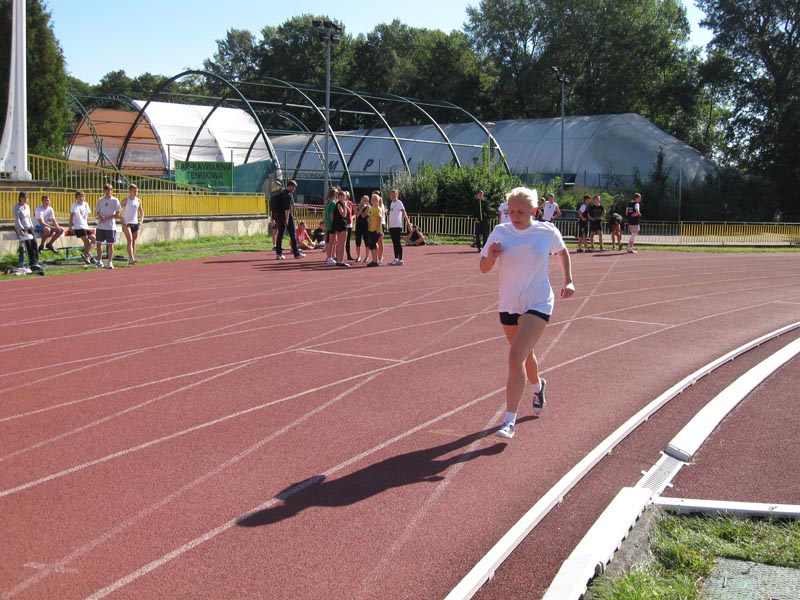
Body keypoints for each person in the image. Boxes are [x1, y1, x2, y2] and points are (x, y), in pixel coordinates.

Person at [479, 186, 575, 440]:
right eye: (511, 211)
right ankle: (538, 385)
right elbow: (483, 267)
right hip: (509, 304)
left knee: (514, 358)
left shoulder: (546, 231)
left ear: (534, 211)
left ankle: (508, 420)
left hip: (538, 301)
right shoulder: (500, 232)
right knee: (525, 355)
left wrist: (568, 280)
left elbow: (562, 251)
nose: (515, 216)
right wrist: (492, 256)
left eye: (521, 212)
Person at [13, 192, 44, 272]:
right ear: (20, 198)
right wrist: (20, 229)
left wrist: (31, 226)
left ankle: (36, 262)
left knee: (34, 243)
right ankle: (32, 263)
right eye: (23, 197)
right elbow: (17, 219)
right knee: (27, 244)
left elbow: (29, 217)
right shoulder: (17, 207)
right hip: (21, 227)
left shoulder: (27, 206)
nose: (25, 199)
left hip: (29, 227)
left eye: (26, 197)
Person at [275, 180, 304, 260]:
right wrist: (287, 219)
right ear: (290, 186)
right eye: (294, 187)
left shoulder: (281, 193)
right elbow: (287, 209)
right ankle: (296, 253)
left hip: (280, 216)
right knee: (293, 235)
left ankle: (278, 253)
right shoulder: (288, 195)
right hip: (287, 217)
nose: (295, 189)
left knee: (280, 235)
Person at [95, 183, 121, 269]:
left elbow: (118, 214)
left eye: (109, 190)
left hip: (110, 226)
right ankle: (99, 261)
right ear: (104, 191)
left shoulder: (115, 200)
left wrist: (107, 218)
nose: (108, 191)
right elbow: (97, 211)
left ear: (112, 191)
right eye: (106, 190)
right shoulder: (100, 200)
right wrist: (100, 216)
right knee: (99, 243)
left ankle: (110, 262)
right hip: (100, 226)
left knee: (110, 244)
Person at [68, 190, 97, 265]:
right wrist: (70, 227)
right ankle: (89, 256)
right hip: (78, 226)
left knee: (94, 239)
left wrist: (87, 225)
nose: (81, 198)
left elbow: (86, 216)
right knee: (86, 240)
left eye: (82, 196)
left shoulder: (86, 204)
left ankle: (87, 254)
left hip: (85, 226)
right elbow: (71, 216)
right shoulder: (74, 205)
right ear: (76, 198)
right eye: (79, 197)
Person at [121, 184, 144, 264]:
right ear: (130, 191)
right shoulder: (125, 200)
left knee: (134, 241)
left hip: (135, 223)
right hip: (127, 223)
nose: (135, 192)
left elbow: (141, 211)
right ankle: (131, 258)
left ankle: (132, 257)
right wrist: (122, 220)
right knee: (130, 240)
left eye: (136, 191)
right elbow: (118, 211)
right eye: (134, 191)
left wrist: (141, 221)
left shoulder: (138, 201)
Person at [388, 188, 412, 265]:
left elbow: (404, 213)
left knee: (397, 242)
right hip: (392, 226)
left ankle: (400, 259)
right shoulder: (391, 203)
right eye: (391, 195)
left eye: (394, 195)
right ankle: (396, 258)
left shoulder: (399, 203)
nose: (392, 196)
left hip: (397, 225)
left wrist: (408, 223)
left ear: (397, 195)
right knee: (394, 243)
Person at [331, 190, 350, 267]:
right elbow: (344, 214)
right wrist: (345, 206)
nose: (343, 197)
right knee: (342, 243)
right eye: (341, 196)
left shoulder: (341, 203)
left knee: (340, 243)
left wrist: (346, 205)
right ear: (338, 197)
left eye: (344, 196)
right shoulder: (339, 204)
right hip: (341, 225)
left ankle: (339, 260)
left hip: (339, 224)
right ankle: (340, 261)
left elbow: (349, 211)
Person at [366, 192, 382, 267]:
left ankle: (375, 261)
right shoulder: (371, 208)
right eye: (372, 199)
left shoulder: (378, 209)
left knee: (373, 245)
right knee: (371, 245)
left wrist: (377, 229)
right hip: (371, 229)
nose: (372, 200)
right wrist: (369, 226)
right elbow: (369, 218)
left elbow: (379, 219)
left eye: (374, 199)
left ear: (377, 200)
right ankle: (374, 259)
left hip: (375, 230)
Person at [323, 187, 339, 264]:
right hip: (331, 225)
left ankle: (329, 257)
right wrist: (334, 224)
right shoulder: (333, 203)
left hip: (328, 224)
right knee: (331, 242)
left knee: (331, 242)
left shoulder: (328, 202)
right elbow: (331, 215)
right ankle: (329, 258)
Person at [353, 195, 371, 261]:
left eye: (365, 200)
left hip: (365, 225)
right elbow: (357, 215)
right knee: (358, 241)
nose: (364, 201)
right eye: (363, 199)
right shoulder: (357, 207)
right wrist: (361, 208)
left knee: (367, 241)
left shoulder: (368, 207)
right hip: (358, 225)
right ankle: (358, 256)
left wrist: (363, 208)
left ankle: (367, 257)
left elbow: (363, 215)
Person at [343, 190, 355, 261]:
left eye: (346, 196)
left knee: (348, 240)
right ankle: (338, 255)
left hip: (349, 223)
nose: (345, 197)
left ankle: (348, 255)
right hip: (343, 223)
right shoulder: (341, 203)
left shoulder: (350, 203)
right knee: (341, 240)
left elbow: (353, 213)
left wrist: (352, 218)